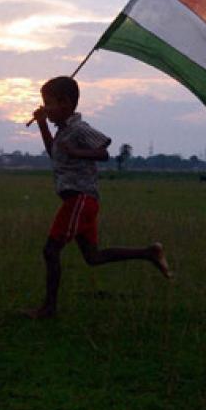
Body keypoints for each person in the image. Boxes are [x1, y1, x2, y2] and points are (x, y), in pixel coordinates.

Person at [26, 76, 172, 319]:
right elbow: (54, 154)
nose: (46, 108)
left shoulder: (79, 128)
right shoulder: (62, 131)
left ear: (65, 103)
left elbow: (103, 152)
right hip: (81, 202)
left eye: (49, 104)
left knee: (50, 251)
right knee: (93, 257)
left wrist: (77, 152)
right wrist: (42, 124)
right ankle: (149, 253)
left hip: (80, 200)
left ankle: (48, 309)